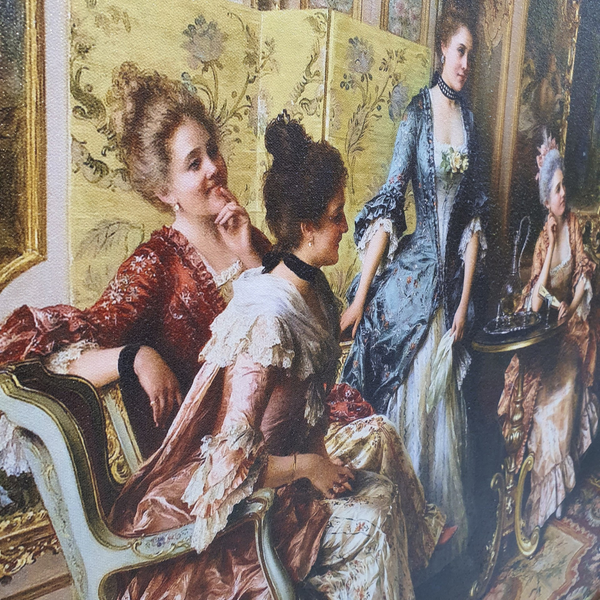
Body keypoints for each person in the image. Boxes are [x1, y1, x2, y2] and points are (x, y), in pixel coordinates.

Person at [108, 113, 446, 600]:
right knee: (376, 511)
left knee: (382, 452)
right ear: (307, 227)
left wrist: (320, 458)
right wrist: (311, 467)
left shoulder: (312, 288)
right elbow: (227, 467)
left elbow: (302, 385)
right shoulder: (261, 320)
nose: (346, 226)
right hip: (250, 510)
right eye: (336, 215)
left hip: (287, 470)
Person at [0, 63, 269, 456]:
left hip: (275, 428)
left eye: (212, 151)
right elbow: (63, 363)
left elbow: (297, 328)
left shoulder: (247, 234)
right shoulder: (155, 264)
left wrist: (248, 254)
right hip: (210, 457)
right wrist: (134, 357)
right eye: (194, 163)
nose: (214, 167)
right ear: (165, 191)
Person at [338, 4, 488, 557]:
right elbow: (388, 205)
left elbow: (472, 225)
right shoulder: (417, 115)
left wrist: (463, 303)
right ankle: (401, 544)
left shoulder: (471, 124)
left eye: (472, 55)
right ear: (442, 50)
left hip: (449, 289)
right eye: (460, 51)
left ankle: (435, 548)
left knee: (439, 410)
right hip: (411, 278)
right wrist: (361, 296)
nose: (465, 64)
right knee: (406, 406)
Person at [498, 139, 598, 533]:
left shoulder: (574, 225)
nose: (563, 193)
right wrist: (552, 241)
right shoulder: (544, 240)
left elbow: (584, 275)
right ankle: (541, 495)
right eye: (557, 189)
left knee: (565, 391)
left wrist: (573, 305)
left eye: (564, 186)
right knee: (537, 405)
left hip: (571, 331)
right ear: (546, 199)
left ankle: (557, 493)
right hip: (547, 335)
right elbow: (536, 302)